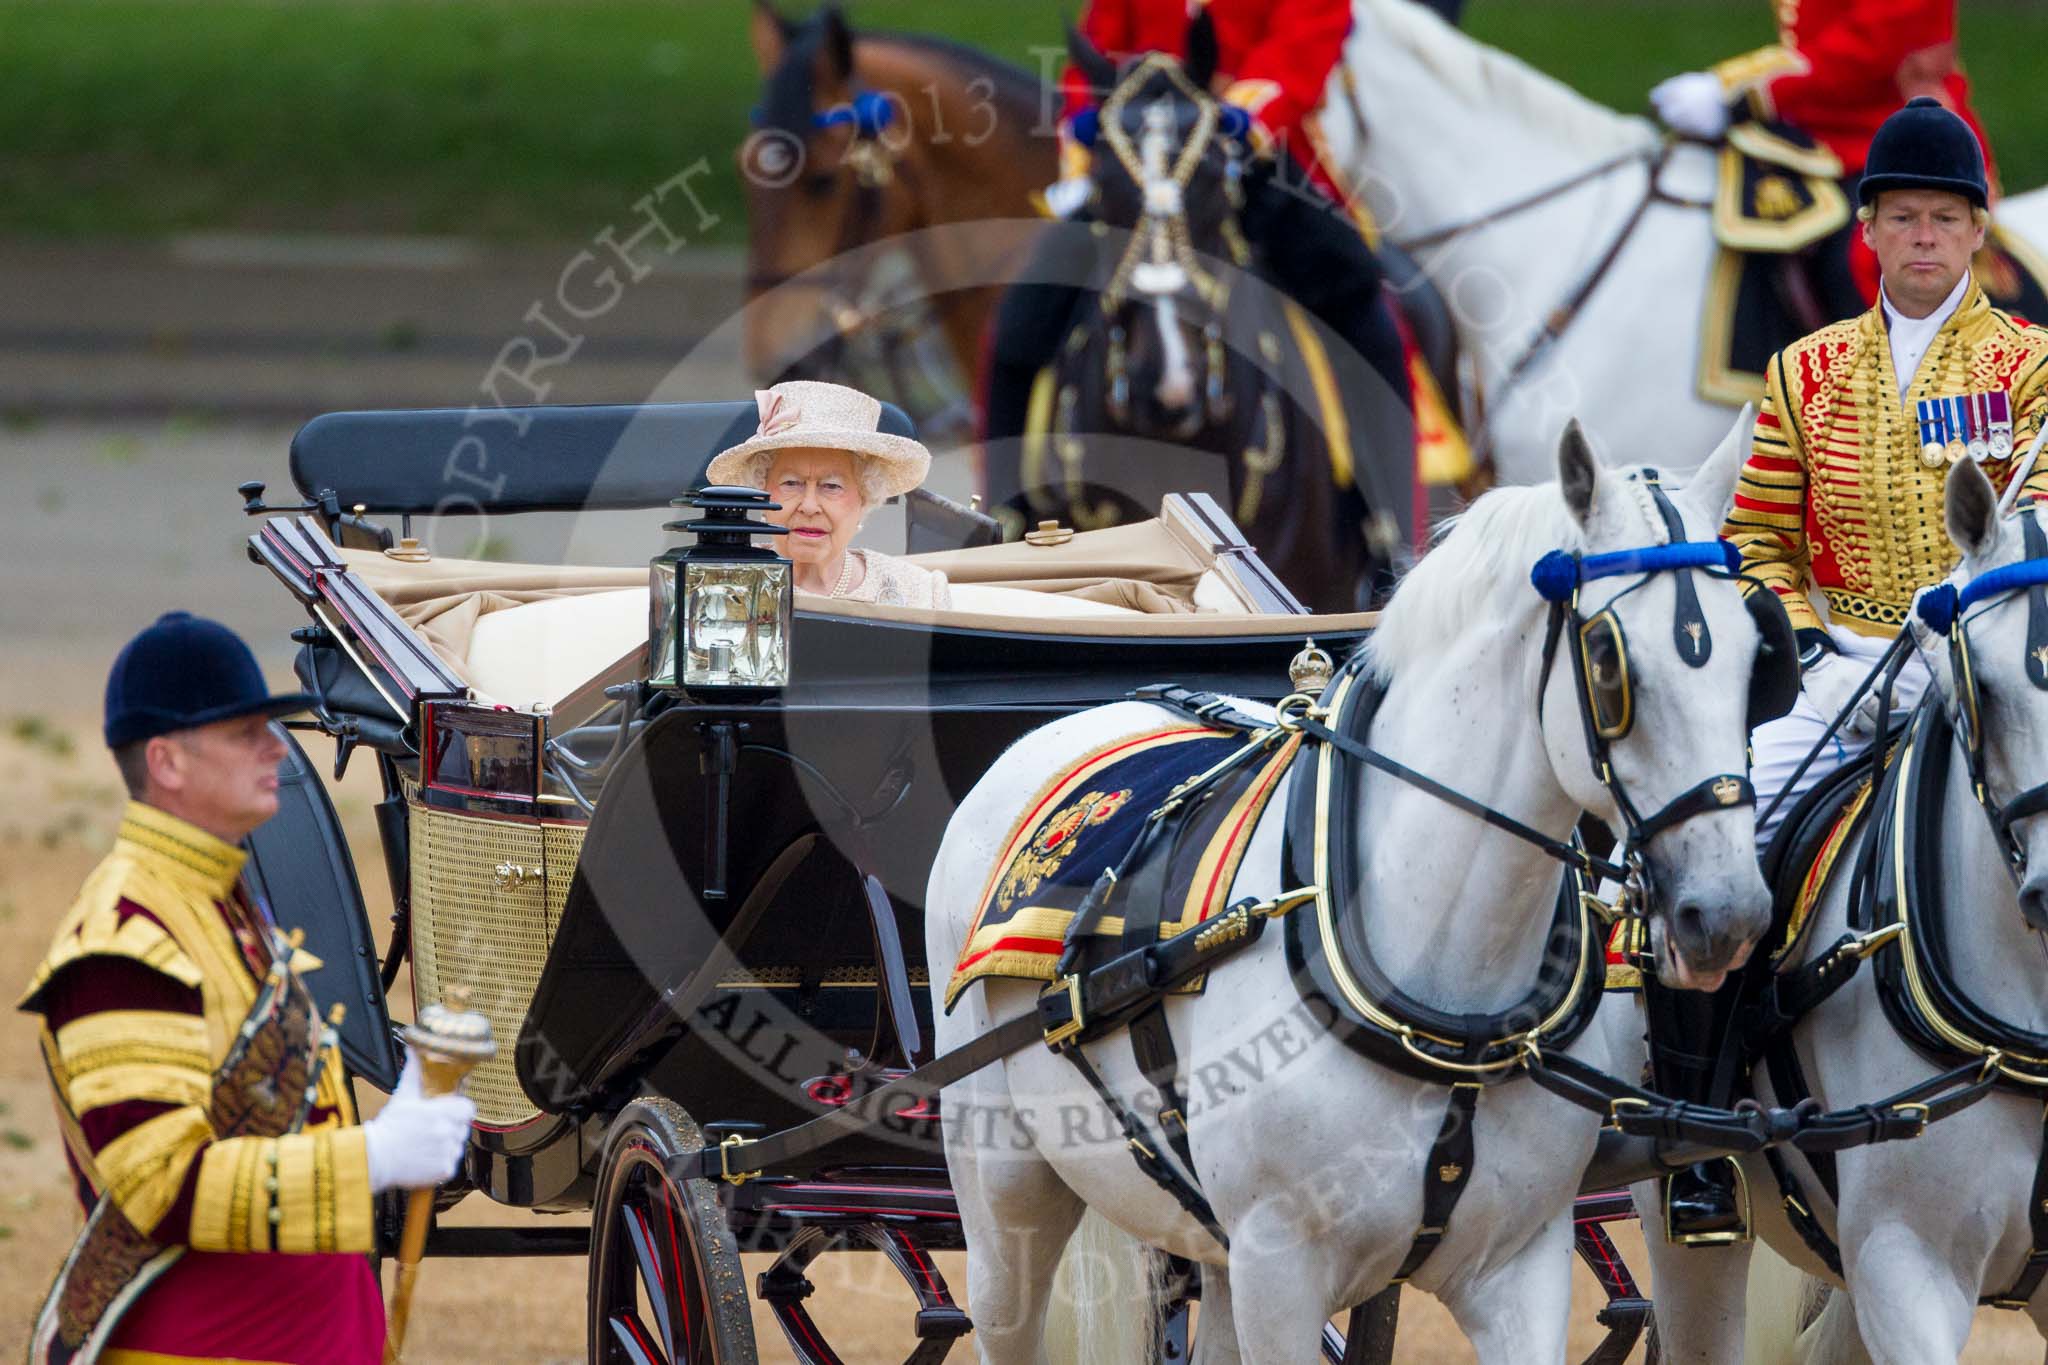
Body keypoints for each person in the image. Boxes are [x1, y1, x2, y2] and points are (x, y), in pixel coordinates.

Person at [1656, 97, 2048, 1245]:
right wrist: (1811, 635)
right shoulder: (1802, 372)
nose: (1923, 237)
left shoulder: (2029, 366)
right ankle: (1697, 1123)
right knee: (1722, 857)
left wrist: (1972, 618)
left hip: (1992, 668)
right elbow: (1760, 538)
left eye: (1943, 218)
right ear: (1866, 233)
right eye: (1901, 218)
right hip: (1844, 667)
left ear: (1977, 235)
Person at [21, 611, 475, 1365]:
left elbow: (274, 1118)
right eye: (243, 734)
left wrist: (399, 1119)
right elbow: (162, 1187)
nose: (275, 749)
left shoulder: (211, 896)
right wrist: (373, 1155)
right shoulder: (123, 941)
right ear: (166, 762)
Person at [981, 0, 1435, 503]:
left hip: (1252, 158)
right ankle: (1005, 513)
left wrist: (1234, 118)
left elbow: (1302, 48)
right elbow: (1098, 48)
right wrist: (1092, 120)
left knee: (1362, 316)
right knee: (1020, 323)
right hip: (1140, 164)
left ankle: (1387, 523)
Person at [1649, 0, 1997, 301]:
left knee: (1866, 260)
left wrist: (1745, 92)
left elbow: (1875, 43)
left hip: (1901, 127)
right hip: (1813, 117)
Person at [708, 379, 953, 609]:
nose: (809, 506)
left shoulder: (920, 595)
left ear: (865, 496)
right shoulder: (718, 587)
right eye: (791, 483)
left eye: (832, 486)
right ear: (763, 491)